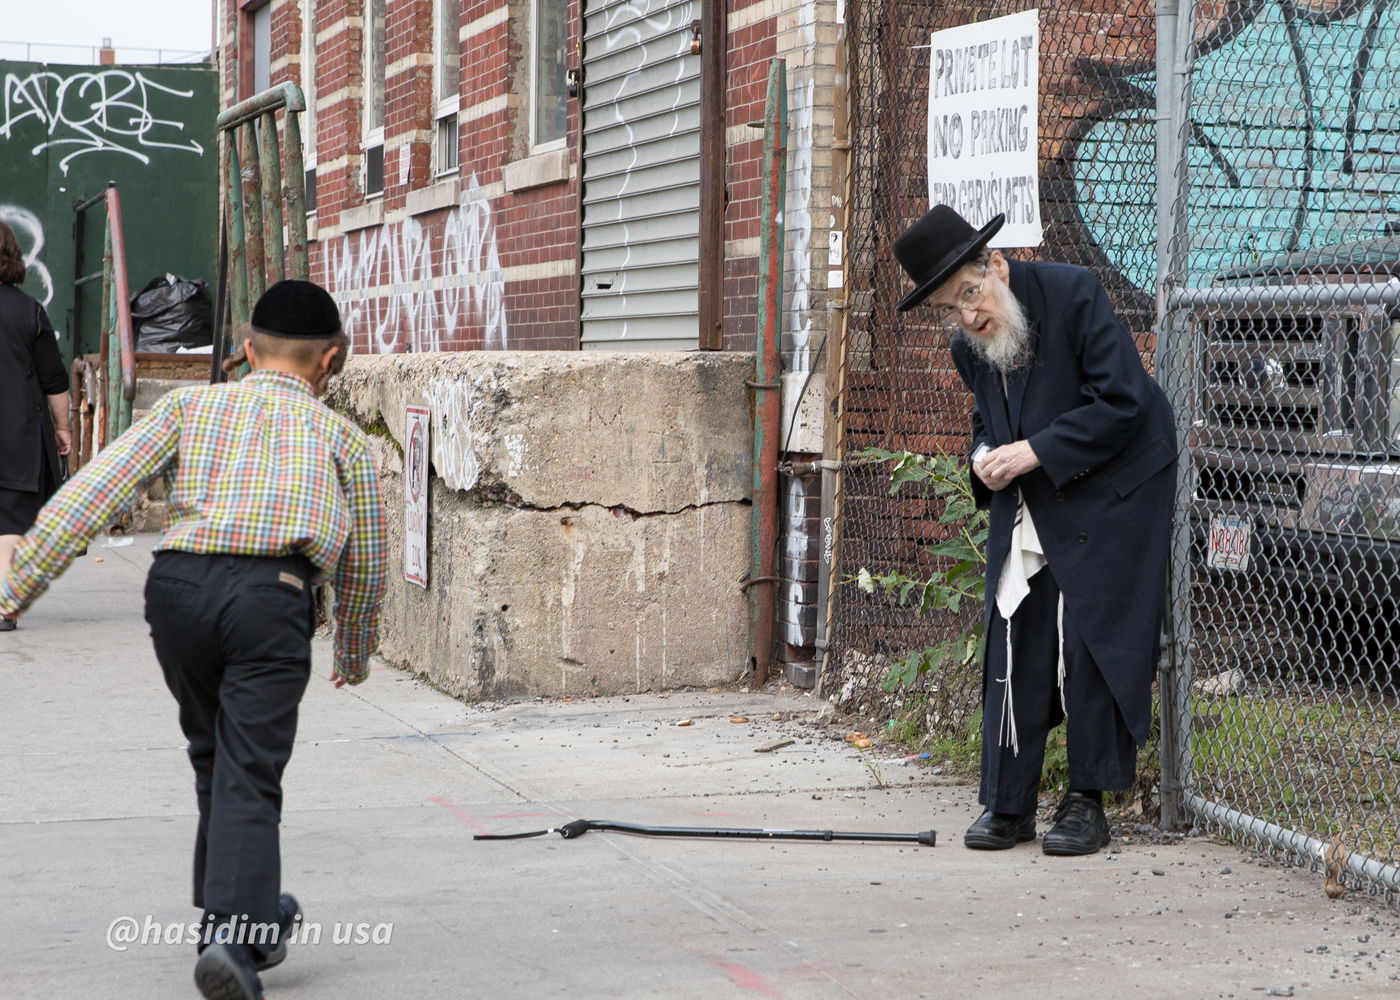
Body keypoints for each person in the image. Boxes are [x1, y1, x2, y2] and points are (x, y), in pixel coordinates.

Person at [0, 279, 388, 999]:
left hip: (177, 592)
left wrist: (14, 588)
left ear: (244, 351)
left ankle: (251, 917)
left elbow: (94, 492)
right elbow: (366, 558)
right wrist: (356, 651)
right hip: (270, 597)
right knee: (249, 767)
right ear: (332, 361)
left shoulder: (189, 404)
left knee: (217, 754)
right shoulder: (345, 439)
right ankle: (230, 942)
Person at [893, 205, 1177, 856]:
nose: (967, 316)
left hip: (1118, 481)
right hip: (1036, 483)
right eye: (950, 307)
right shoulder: (971, 344)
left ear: (995, 265)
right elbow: (986, 421)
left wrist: (1036, 449)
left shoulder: (1073, 293)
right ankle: (1010, 802)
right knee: (1014, 626)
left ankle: (1087, 800)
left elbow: (1125, 401)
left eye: (970, 293)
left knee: (1088, 634)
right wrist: (984, 458)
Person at [0, 219, 71, 631]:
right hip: (17, 432)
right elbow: (53, 378)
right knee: (9, 519)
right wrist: (63, 427)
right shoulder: (30, 311)